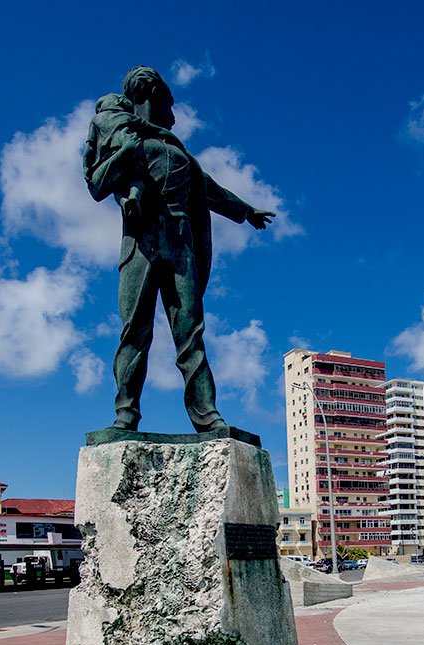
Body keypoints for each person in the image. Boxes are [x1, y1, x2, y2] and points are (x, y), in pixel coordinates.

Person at [83, 65, 275, 432]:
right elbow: (96, 184)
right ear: (152, 95)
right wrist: (125, 154)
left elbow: (210, 189)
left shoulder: (181, 156)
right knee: (134, 332)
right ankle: (126, 414)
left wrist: (245, 210)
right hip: (140, 247)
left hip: (181, 248)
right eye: (170, 104)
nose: (173, 115)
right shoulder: (130, 139)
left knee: (191, 335)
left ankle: (206, 414)